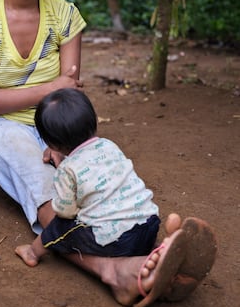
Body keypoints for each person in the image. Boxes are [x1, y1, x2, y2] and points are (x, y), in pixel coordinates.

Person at [0, 0, 217, 307]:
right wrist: (51, 87)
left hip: (56, 122)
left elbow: (70, 89)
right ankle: (121, 272)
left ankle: (150, 240)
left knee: (103, 177)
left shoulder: (65, 15)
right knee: (51, 195)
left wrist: (57, 113)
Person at [15, 88, 162, 266]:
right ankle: (160, 251)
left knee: (60, 227)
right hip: (149, 223)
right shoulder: (109, 145)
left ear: (51, 143)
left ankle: (33, 252)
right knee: (133, 232)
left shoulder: (67, 169)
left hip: (116, 240)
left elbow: (65, 212)